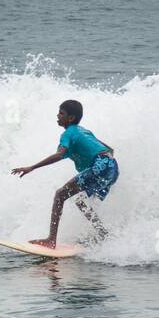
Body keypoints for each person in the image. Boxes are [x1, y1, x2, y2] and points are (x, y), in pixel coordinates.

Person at [11, 99, 118, 247]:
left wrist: (32, 167)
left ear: (70, 118)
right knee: (80, 201)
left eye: (61, 113)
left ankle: (51, 240)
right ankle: (102, 233)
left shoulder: (68, 133)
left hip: (100, 166)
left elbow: (60, 154)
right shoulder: (84, 131)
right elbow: (110, 150)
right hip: (112, 168)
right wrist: (104, 167)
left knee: (60, 195)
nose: (57, 115)